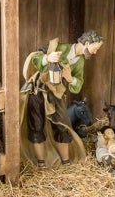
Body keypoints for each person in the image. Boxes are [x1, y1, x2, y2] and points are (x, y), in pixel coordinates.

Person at [21, 30, 104, 167]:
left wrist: (70, 78)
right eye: (95, 48)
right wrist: (47, 58)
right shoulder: (59, 47)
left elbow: (77, 85)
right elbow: (36, 59)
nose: (95, 52)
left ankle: (66, 163)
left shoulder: (80, 61)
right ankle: (41, 163)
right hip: (38, 90)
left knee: (63, 125)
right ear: (87, 43)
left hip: (57, 94)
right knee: (37, 124)